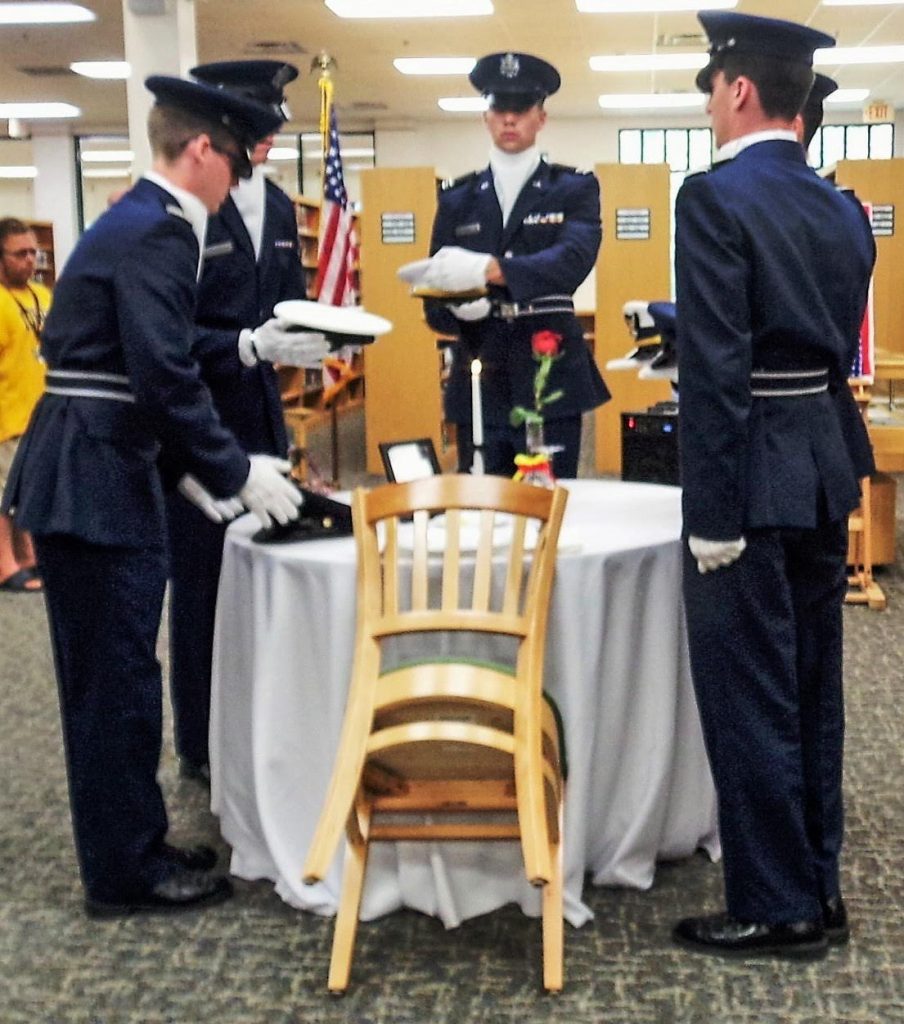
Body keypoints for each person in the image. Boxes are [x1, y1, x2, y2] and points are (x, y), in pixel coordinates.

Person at [1, 74, 312, 917]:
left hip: (102, 459)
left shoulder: (141, 219)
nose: (242, 177)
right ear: (202, 149)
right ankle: (124, 874)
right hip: (94, 474)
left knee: (123, 672)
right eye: (238, 158)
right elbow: (163, 373)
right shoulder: (163, 232)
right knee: (113, 684)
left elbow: (142, 365)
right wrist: (233, 469)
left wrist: (192, 462)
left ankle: (135, 842)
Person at [672, 12, 876, 959]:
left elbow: (716, 368)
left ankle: (775, 904)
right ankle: (819, 884)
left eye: (711, 87)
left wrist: (711, 514)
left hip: (748, 471)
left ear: (739, 90)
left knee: (750, 694)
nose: (709, 104)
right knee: (812, 687)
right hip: (824, 461)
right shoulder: (842, 206)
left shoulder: (711, 199)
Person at [165, 60, 323, 785]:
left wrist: (316, 336)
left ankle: (263, 722)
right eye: (251, 127)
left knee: (267, 573)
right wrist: (246, 344)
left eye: (269, 128)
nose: (263, 142)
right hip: (199, 421)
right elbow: (167, 340)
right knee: (201, 586)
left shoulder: (285, 208)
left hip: (263, 416)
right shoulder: (189, 211)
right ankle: (200, 744)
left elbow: (290, 305)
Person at [417, 51, 609, 478]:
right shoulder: (456, 197)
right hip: (479, 367)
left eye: (520, 109)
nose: (509, 120)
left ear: (541, 117)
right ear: (485, 117)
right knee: (482, 509)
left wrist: (490, 272)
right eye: (498, 109)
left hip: (548, 368)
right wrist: (458, 309)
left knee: (549, 505)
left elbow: (571, 262)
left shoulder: (573, 188)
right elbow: (432, 300)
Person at [0, 218, 50, 593]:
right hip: (6, 414)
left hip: (39, 413)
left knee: (28, 493)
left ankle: (30, 557)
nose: (30, 260)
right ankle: (5, 566)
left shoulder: (42, 296)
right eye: (20, 254)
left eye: (34, 252)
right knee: (3, 496)